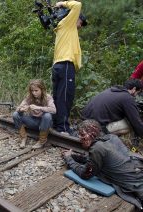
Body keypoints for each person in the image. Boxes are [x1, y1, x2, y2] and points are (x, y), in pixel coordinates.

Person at [62, 119, 143, 210]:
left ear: (93, 134)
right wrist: (74, 156)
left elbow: (85, 174)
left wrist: (69, 159)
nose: (80, 138)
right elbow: (94, 160)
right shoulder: (111, 138)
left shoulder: (97, 148)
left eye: (83, 135)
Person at [51, 0, 87, 135]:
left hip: (59, 65)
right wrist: (62, 3)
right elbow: (77, 5)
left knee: (58, 96)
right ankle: (63, 128)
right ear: (75, 17)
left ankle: (56, 124)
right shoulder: (68, 23)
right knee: (65, 97)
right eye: (81, 22)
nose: (81, 26)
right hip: (65, 64)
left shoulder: (63, 27)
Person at [13, 79, 56, 149]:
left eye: (36, 91)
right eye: (32, 91)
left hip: (44, 122)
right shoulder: (29, 97)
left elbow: (54, 110)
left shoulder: (48, 97)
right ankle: (23, 137)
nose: (34, 93)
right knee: (15, 114)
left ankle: (42, 141)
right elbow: (18, 108)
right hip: (33, 121)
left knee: (47, 116)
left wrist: (39, 108)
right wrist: (22, 109)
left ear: (42, 90)